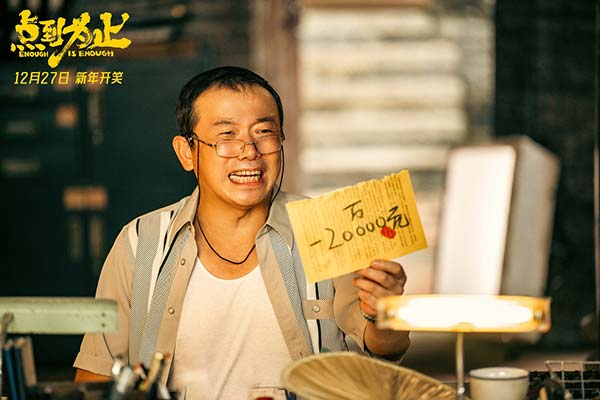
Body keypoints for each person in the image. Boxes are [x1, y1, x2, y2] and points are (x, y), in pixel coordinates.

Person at [73, 66, 410, 398]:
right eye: (227, 135)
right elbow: (96, 373)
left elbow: (383, 349)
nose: (249, 151)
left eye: (264, 132)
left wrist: (384, 312)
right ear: (187, 152)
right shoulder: (140, 242)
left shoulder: (329, 228)